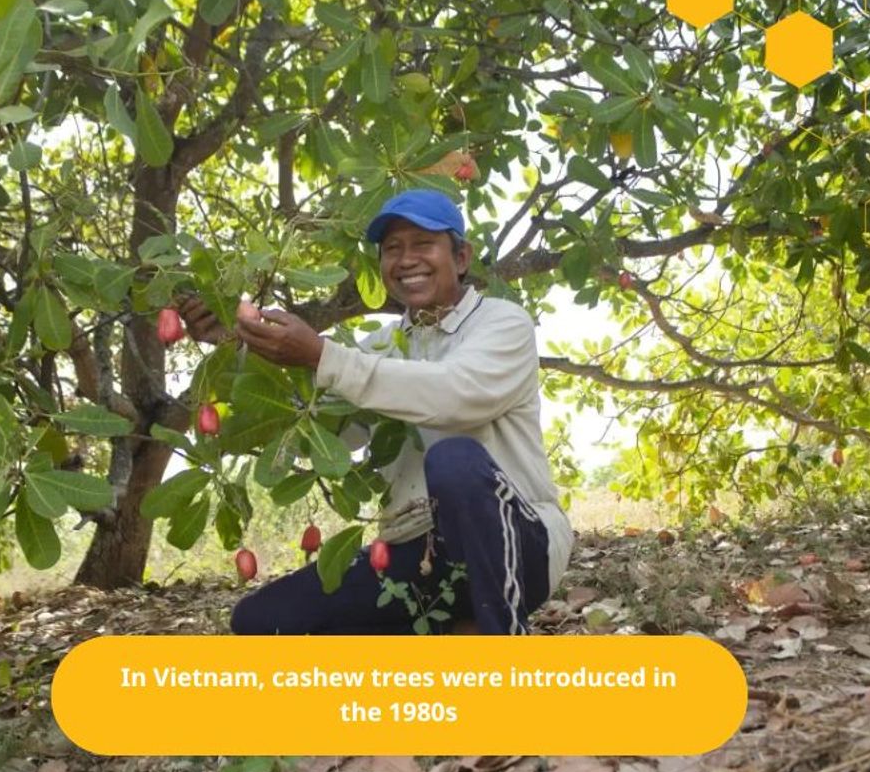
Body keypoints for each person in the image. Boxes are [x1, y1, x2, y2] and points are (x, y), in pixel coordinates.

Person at [180, 189, 574, 635]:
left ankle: (501, 645)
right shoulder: (381, 348)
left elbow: (455, 398)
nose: (406, 259)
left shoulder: (503, 323)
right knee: (258, 619)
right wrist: (238, 347)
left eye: (423, 244)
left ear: (461, 258)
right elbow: (329, 432)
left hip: (520, 544)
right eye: (392, 249)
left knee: (455, 460)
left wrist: (323, 356)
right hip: (416, 554)